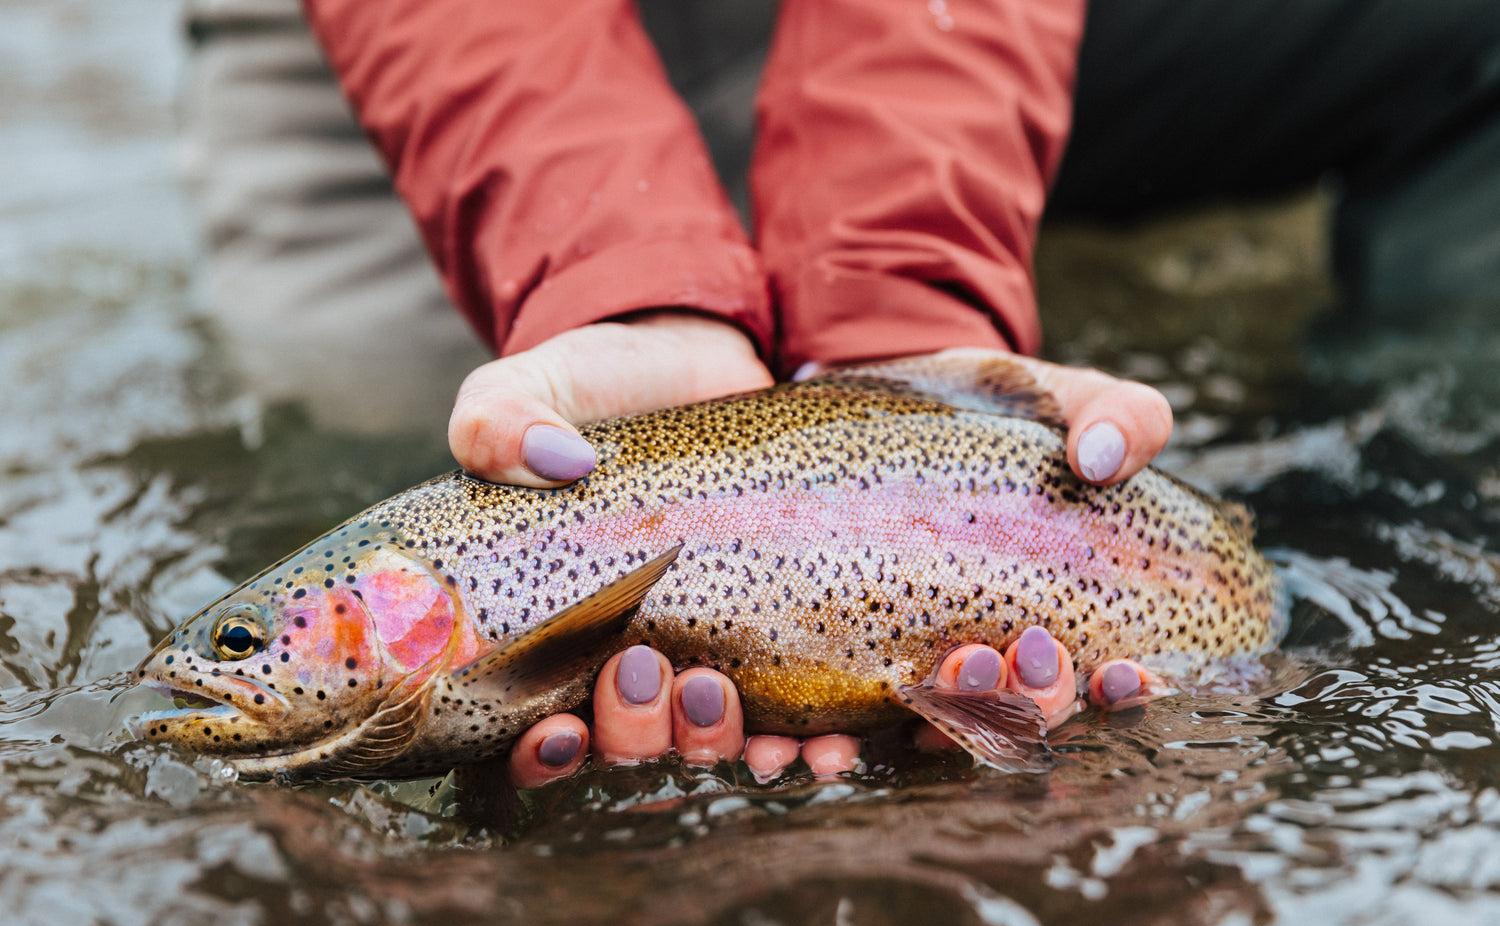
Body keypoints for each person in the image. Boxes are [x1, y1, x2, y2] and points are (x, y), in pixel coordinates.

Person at [181, 0, 1500, 788]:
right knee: (337, 431)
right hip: (423, 55)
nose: (232, 660)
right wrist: (613, 283)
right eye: (247, 646)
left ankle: (1396, 530)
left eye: (246, 644)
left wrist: (905, 307)